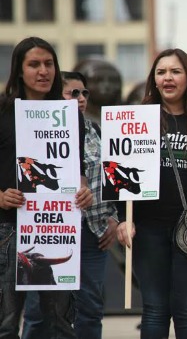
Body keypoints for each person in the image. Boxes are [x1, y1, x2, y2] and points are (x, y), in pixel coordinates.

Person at [116, 48, 187, 339]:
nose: (168, 77)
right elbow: (119, 173)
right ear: (153, 80)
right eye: (161, 72)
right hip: (146, 226)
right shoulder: (136, 119)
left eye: (175, 71)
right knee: (155, 309)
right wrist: (122, 219)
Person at [0, 36, 93, 339]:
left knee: (62, 324)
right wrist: (0, 197)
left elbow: (76, 172)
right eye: (34, 64)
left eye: (49, 64)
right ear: (19, 70)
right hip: (9, 230)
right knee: (6, 325)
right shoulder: (2, 112)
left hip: (57, 230)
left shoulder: (71, 116)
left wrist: (84, 190)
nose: (43, 71)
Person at [21, 72, 120, 339]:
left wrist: (114, 218)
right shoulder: (34, 133)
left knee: (90, 306)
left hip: (92, 232)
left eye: (84, 93)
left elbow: (114, 181)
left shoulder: (98, 131)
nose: (81, 98)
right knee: (39, 308)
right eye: (72, 93)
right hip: (49, 231)